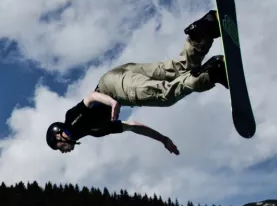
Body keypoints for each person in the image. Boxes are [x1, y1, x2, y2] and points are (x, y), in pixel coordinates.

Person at [45, 11, 227, 154]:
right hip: (120, 75)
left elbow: (91, 97)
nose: (62, 151)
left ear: (60, 134)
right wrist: (162, 139)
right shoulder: (96, 131)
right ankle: (204, 30)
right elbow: (132, 127)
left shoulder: (72, 121)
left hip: (113, 88)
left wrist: (112, 102)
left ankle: (213, 72)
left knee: (165, 95)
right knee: (177, 69)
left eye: (59, 147)